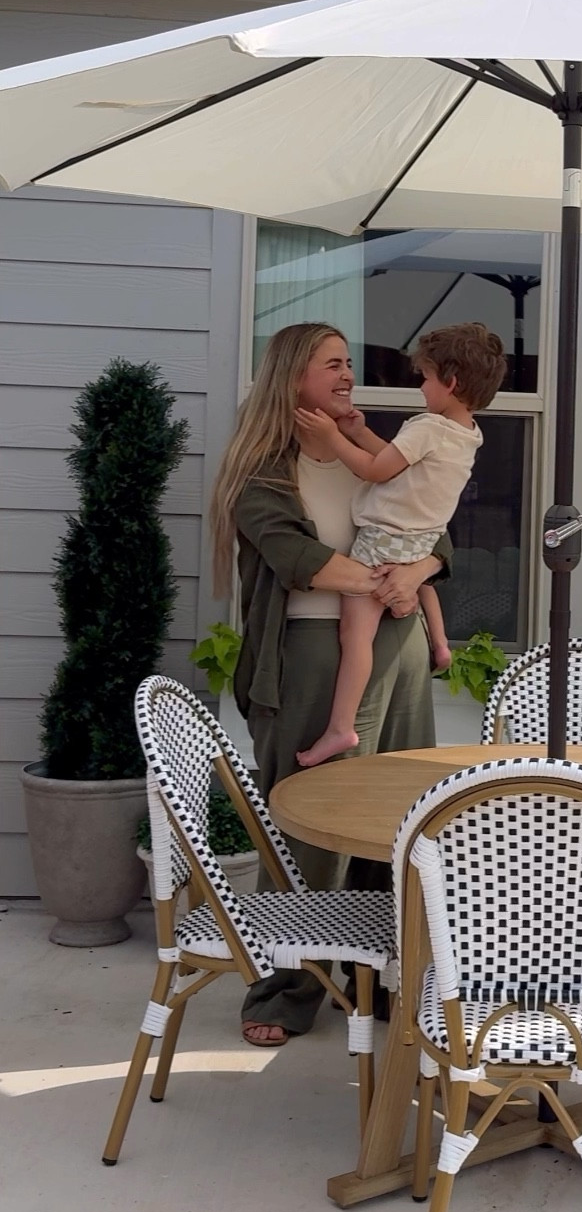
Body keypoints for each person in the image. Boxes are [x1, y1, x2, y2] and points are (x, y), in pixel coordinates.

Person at [209, 322, 454, 1047]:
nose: (348, 375)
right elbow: (297, 556)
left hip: (399, 654)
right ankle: (287, 988)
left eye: (349, 363)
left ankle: (380, 980)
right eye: (333, 365)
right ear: (293, 380)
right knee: (311, 830)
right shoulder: (260, 474)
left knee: (402, 821)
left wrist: (418, 573)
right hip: (313, 658)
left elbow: (436, 532)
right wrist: (392, 580)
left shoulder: (373, 455)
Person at [294, 322, 506, 768]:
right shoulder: (468, 433)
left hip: (382, 539)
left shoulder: (428, 426)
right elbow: (400, 461)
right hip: (420, 537)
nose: (422, 386)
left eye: (426, 377)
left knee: (356, 635)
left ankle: (341, 726)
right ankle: (442, 642)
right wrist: (358, 432)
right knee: (418, 576)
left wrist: (335, 436)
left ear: (450, 382)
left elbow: (377, 471)